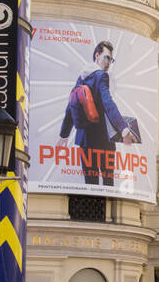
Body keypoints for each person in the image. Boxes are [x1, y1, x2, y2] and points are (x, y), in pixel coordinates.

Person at [59, 39, 140, 187]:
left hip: (84, 140)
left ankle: (92, 209)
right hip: (103, 139)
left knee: (90, 184)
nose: (109, 63)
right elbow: (108, 103)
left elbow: (71, 105)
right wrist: (123, 128)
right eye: (107, 57)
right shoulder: (101, 76)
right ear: (97, 55)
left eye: (111, 59)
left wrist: (64, 135)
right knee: (108, 184)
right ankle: (105, 211)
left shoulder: (82, 77)